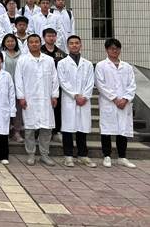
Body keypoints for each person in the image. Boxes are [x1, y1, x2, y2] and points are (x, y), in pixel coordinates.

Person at [15, 34, 59, 167]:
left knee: (46, 128)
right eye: (31, 42)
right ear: (28, 44)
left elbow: (55, 78)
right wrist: (21, 97)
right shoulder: (23, 60)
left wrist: (54, 95)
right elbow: (18, 80)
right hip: (30, 99)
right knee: (29, 129)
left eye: (36, 42)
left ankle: (44, 154)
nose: (34, 44)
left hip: (46, 99)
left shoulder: (49, 60)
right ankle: (31, 154)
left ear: (40, 43)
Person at [95, 38, 137, 168]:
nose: (115, 51)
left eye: (117, 48)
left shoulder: (127, 67)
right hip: (108, 102)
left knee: (122, 129)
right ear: (107, 50)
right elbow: (100, 84)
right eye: (112, 48)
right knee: (106, 129)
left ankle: (122, 157)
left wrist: (125, 99)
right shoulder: (101, 66)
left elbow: (132, 85)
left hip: (124, 103)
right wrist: (114, 98)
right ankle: (107, 156)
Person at [57, 35, 96, 168]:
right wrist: (75, 95)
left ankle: (83, 155)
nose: (74, 45)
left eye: (77, 43)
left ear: (81, 45)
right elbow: (62, 81)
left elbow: (90, 82)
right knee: (68, 128)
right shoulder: (62, 63)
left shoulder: (88, 64)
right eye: (71, 43)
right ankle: (68, 156)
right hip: (69, 99)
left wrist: (84, 96)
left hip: (84, 100)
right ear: (68, 46)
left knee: (82, 127)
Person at [40, 28, 67, 143]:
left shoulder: (61, 53)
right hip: (41, 85)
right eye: (49, 36)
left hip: (57, 85)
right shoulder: (39, 51)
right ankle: (40, 131)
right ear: (44, 37)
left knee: (57, 108)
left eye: (53, 36)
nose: (51, 38)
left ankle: (56, 131)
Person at [1, 34, 24, 143]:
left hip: (18, 86)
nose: (10, 43)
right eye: (8, 41)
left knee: (17, 110)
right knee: (5, 109)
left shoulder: (21, 55)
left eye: (12, 41)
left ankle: (16, 132)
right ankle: (6, 131)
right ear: (4, 43)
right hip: (5, 86)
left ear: (16, 42)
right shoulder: (2, 55)